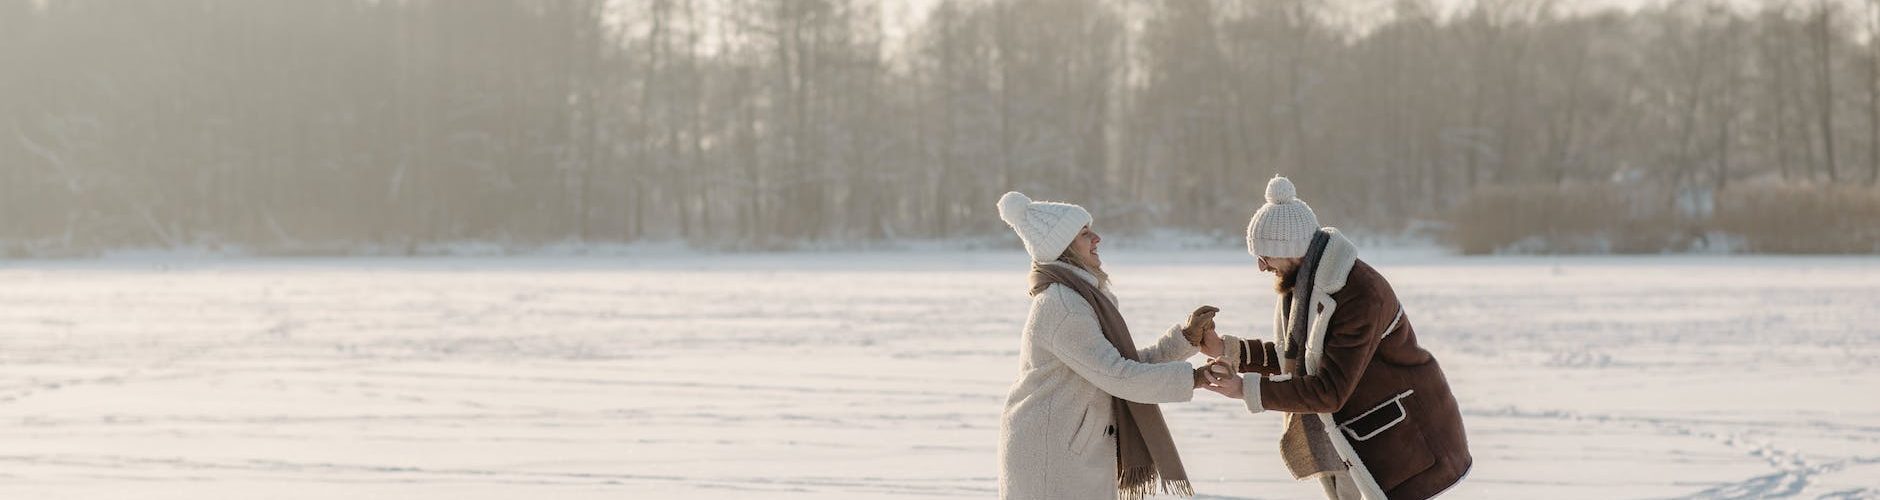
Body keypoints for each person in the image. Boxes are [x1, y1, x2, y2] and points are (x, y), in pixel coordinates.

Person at [1200, 177, 1471, 500]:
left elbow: (1329, 390)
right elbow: (1301, 356)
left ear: (1291, 250)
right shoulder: (1302, 285)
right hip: (1350, 439)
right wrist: (1227, 350)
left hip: (1405, 443)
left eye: (1266, 256)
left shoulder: (1359, 295)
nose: (1261, 267)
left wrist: (1246, 389)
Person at [994, 191, 1223, 500]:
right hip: (1052, 458)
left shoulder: (1081, 299)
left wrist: (1185, 339)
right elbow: (1118, 375)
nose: (1097, 238)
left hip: (1071, 449)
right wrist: (1193, 378)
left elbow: (1118, 365)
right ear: (1063, 249)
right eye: (1084, 234)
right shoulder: (1064, 306)